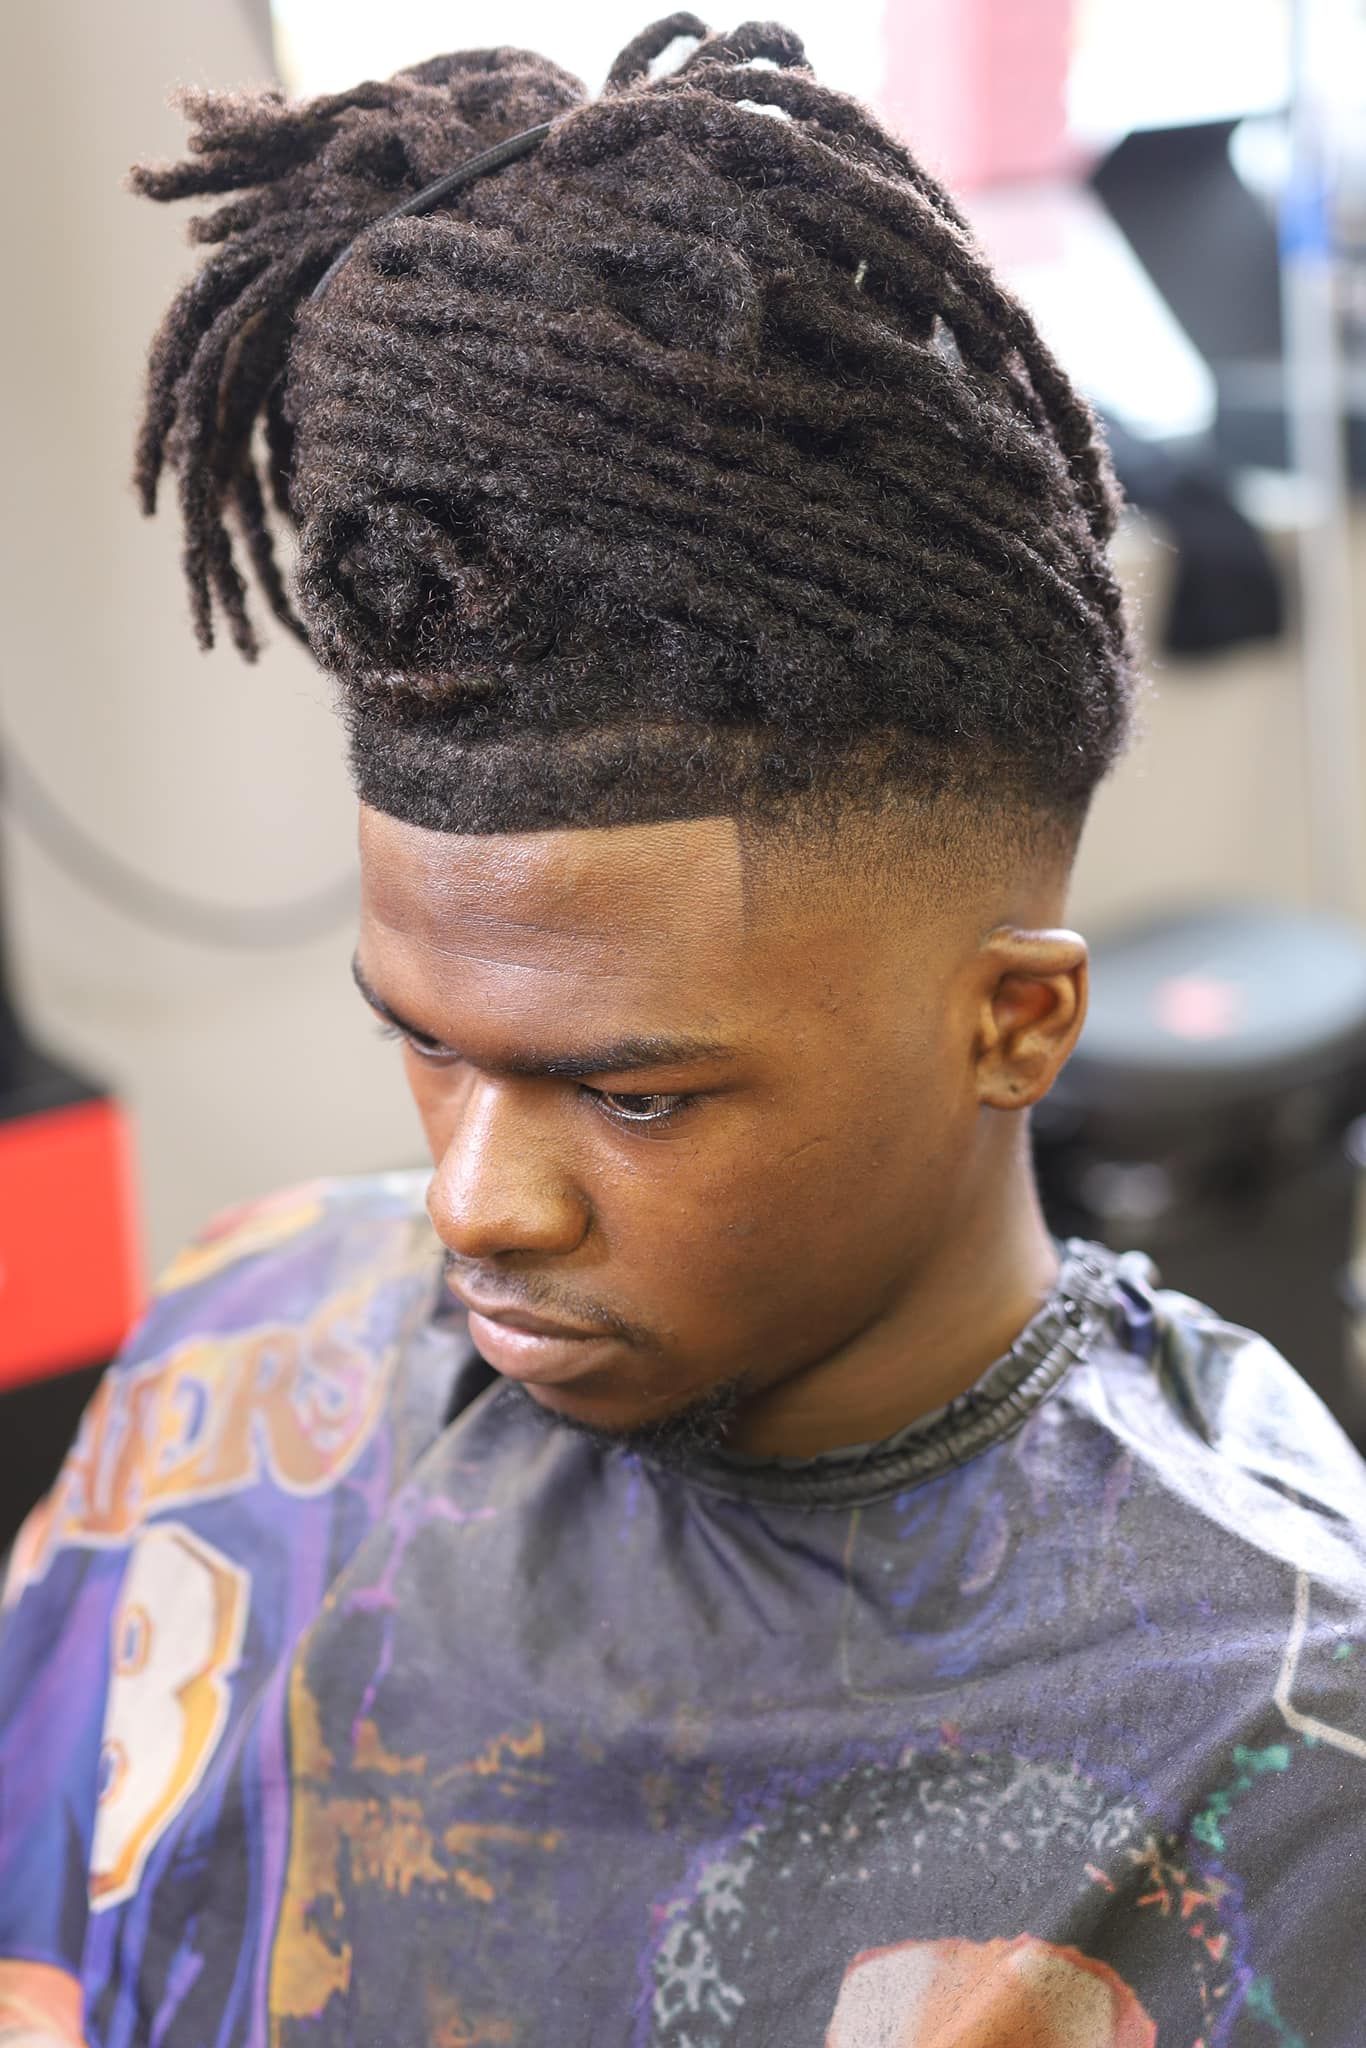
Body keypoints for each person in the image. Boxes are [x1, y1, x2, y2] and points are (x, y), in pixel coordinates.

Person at [2, 15, 1364, 2044]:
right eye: (427, 1042)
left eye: (628, 1091)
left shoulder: (1273, 1733)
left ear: (1010, 1022)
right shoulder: (241, 1333)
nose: (474, 1204)